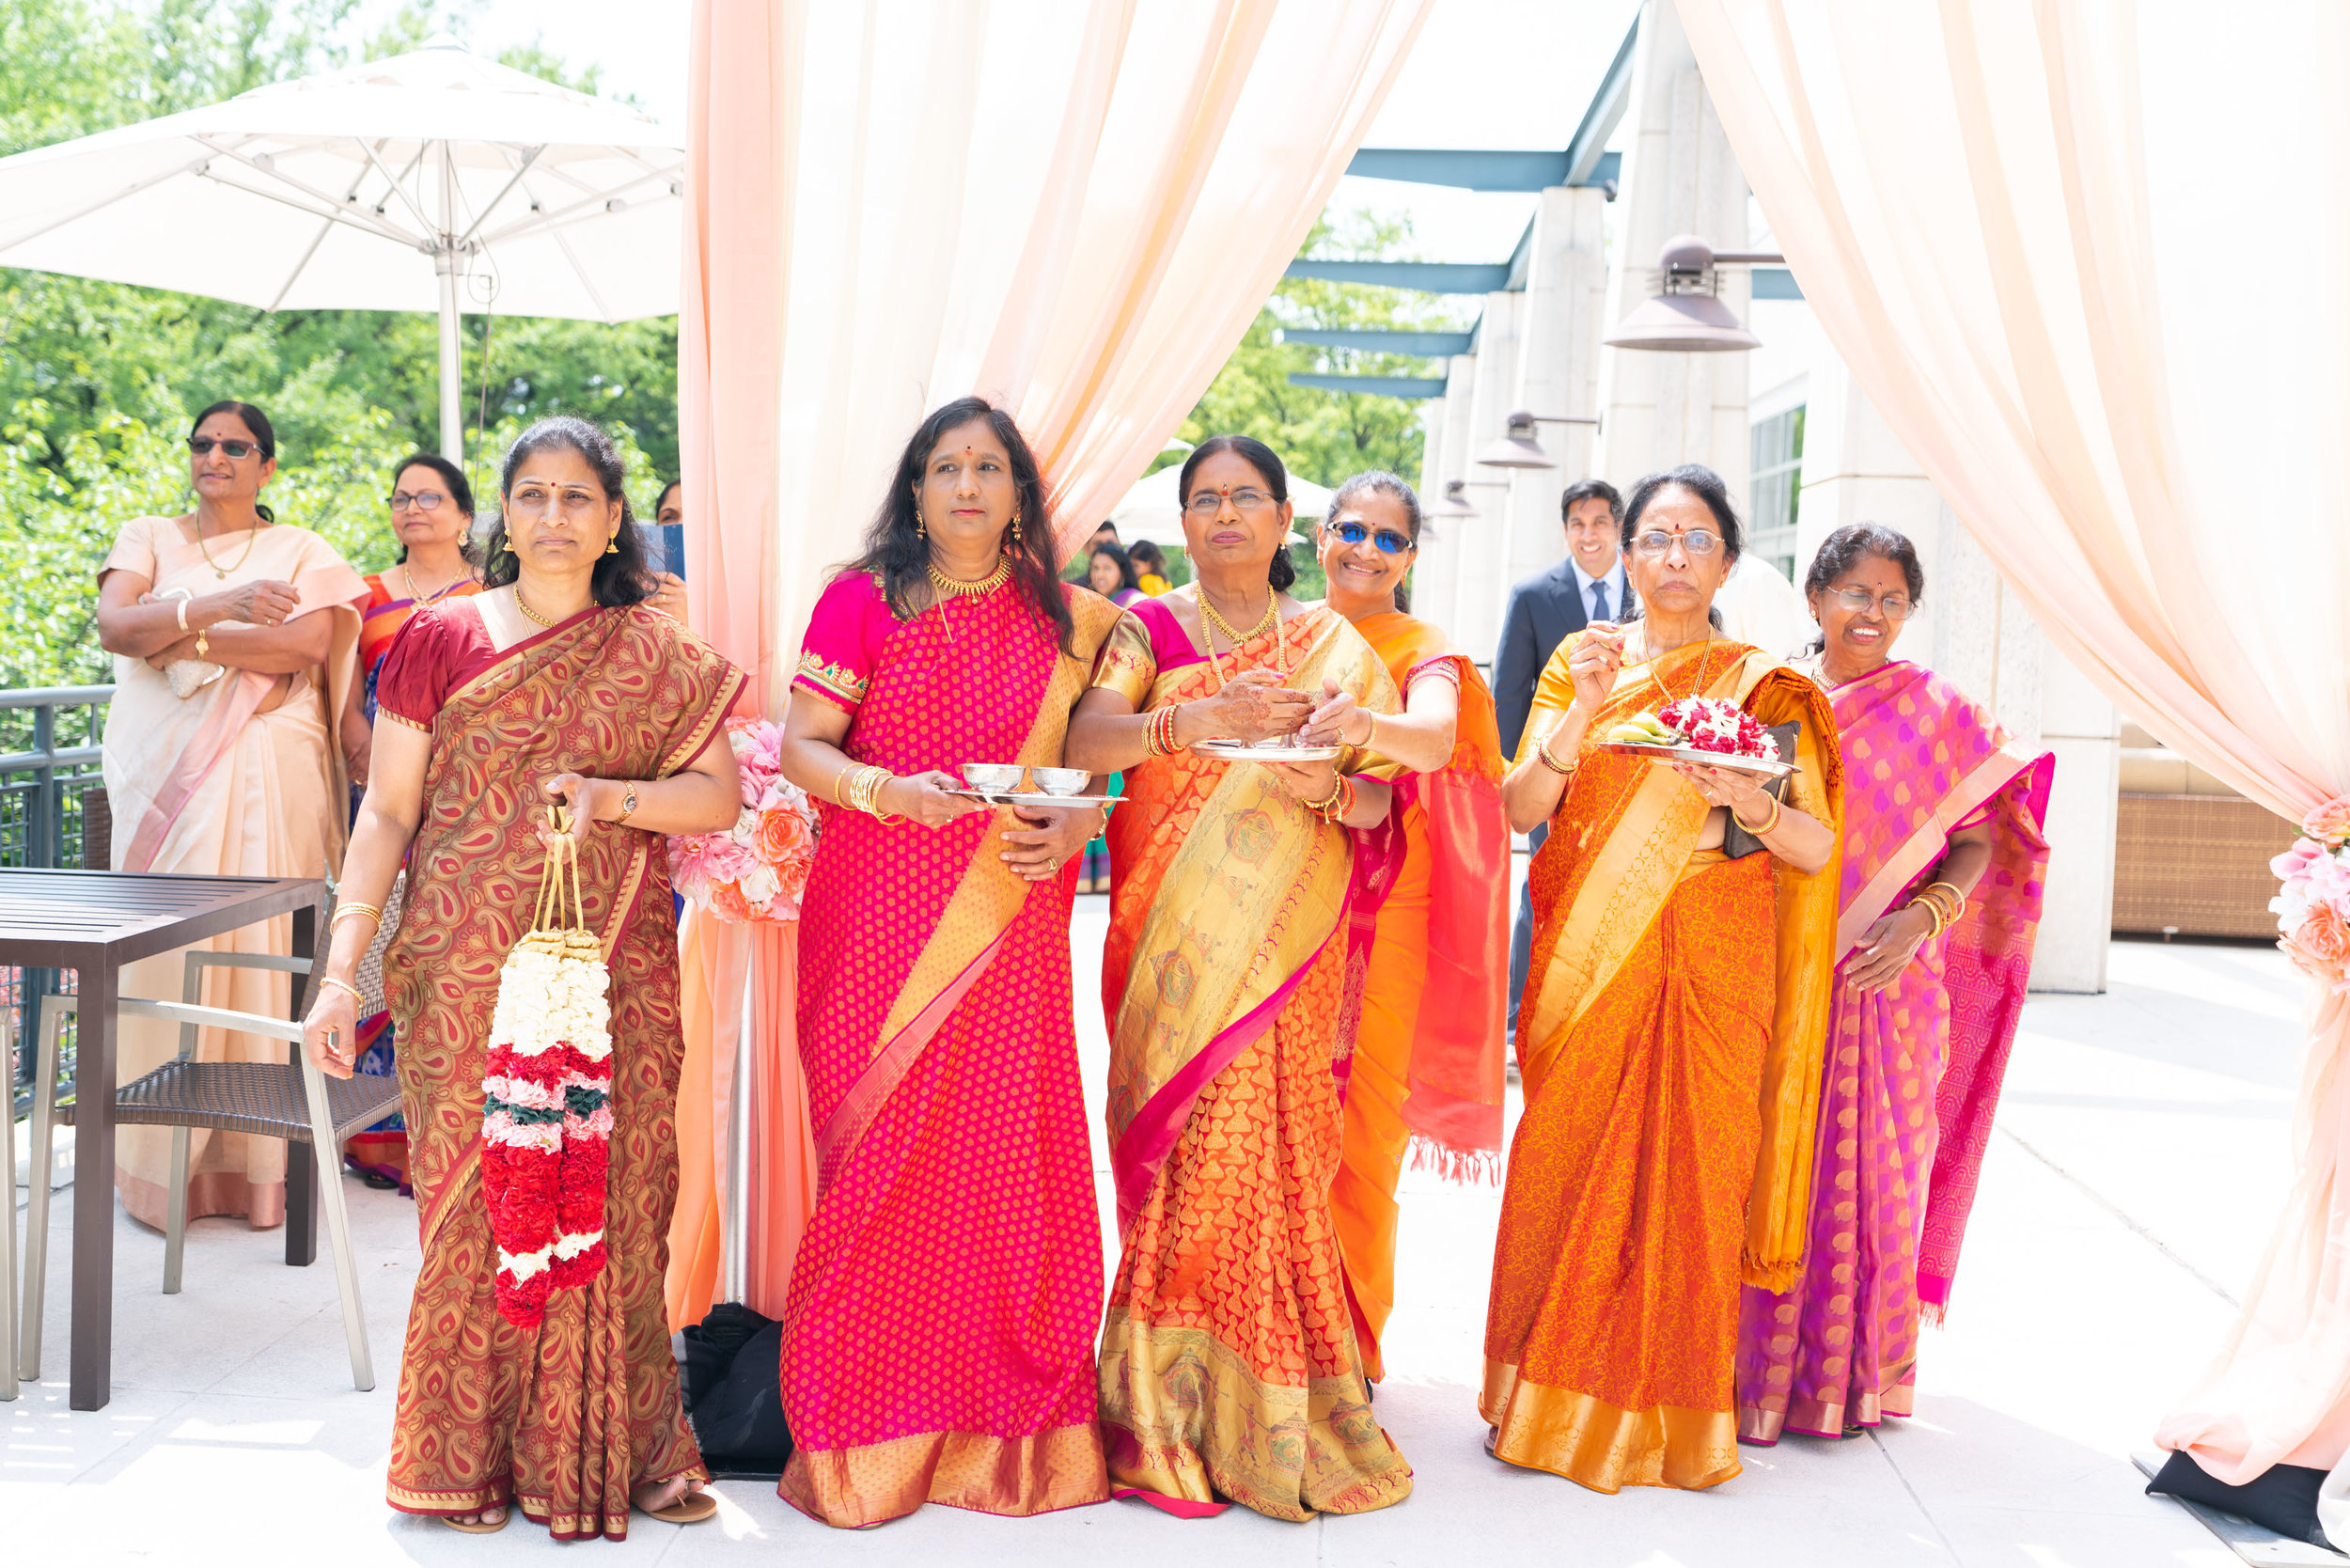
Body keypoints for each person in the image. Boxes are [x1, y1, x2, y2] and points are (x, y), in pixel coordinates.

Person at [299, 415, 746, 1538]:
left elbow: (717, 798)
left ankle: (625, 1451)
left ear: (612, 521)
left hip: (614, 970)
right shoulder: (444, 637)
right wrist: (339, 973)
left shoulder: (657, 652)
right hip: (465, 971)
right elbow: (388, 812)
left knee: (619, 1191)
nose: (552, 517)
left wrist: (609, 797)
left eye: (577, 498)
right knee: (480, 1205)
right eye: (532, 496)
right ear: (505, 514)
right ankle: (467, 1460)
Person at [774, 397, 1122, 1528]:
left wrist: (1076, 826)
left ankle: (996, 1431)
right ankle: (856, 1431)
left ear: (1021, 491)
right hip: (875, 906)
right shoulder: (859, 598)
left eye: (988, 468)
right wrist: (888, 792)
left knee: (1000, 1158)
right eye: (943, 467)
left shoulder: (1076, 621)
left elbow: (1093, 775)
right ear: (913, 490)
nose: (966, 487)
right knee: (875, 1162)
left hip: (1008, 916)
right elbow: (801, 750)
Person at [1066, 434, 1414, 1520]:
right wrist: (1189, 722)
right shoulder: (1149, 628)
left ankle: (1278, 1395)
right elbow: (1088, 741)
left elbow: (1377, 805)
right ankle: (1161, 1405)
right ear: (1183, 521)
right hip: (1173, 952)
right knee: (1187, 1153)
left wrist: (1324, 787)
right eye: (1205, 499)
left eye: (1246, 498)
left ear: (1280, 521)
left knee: (1277, 1150)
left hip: (1291, 951)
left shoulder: (1336, 650)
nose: (1225, 515)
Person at [1484, 463, 1844, 1494]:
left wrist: (1752, 800)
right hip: (1588, 965)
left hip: (1713, 960)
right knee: (1564, 1161)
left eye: (1696, 538)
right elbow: (1519, 810)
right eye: (1654, 538)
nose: (1674, 557)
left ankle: (1675, 1415)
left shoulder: (1764, 689)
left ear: (1728, 557)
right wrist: (1578, 712)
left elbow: (1814, 851)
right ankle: (1532, 1396)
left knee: (1692, 1178)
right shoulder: (1580, 659)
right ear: (1623, 554)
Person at [1735, 524, 2051, 1443]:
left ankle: (1851, 1381)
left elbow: (1980, 841)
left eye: (1890, 600)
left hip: (1888, 982)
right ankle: (1749, 1372)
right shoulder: (1772, 702)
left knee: (1877, 1179)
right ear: (1815, 599)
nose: (1870, 613)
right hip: (1775, 972)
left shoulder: (1937, 712)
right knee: (1767, 1169)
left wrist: (1922, 922)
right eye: (1854, 594)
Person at [95, 400, 367, 1230]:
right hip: (163, 777)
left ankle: (259, 1171)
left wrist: (177, 640)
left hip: (270, 774)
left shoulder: (302, 549)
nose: (216, 456)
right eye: (204, 443)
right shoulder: (146, 533)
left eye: (236, 446)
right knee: (166, 952)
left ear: (267, 465)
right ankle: (160, 1165)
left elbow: (304, 649)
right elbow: (115, 626)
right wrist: (221, 608)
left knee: (260, 957)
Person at [1295, 471, 1511, 1383]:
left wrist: (1358, 730)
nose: (1368, 551)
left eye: (1389, 540)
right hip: (1280, 902)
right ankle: (1269, 1336)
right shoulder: (1289, 635)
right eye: (1354, 531)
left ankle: (1346, 1346)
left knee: (1363, 1134)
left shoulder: (1425, 649)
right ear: (1320, 537)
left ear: (1411, 558)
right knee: (1278, 1126)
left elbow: (1429, 738)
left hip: (1385, 919)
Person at [1495, 478, 1627, 1042]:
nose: (1588, 534)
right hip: (1552, 765)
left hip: (1623, 770)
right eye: (1577, 523)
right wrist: (1515, 774)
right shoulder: (1533, 594)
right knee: (1541, 890)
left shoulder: (1645, 594)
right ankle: (1518, 1016)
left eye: (1599, 522)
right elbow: (1508, 691)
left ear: (1618, 528)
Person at [352, 454, 482, 771]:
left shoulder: (492, 590)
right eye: (401, 499)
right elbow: (346, 698)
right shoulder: (363, 594)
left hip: (473, 766)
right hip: (379, 769)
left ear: (465, 516)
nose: (412, 508)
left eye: (428, 498)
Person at [1088, 541, 1147, 608]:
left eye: (1107, 568)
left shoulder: (1135, 600)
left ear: (1122, 572)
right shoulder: (1090, 603)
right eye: (1096, 568)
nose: (1099, 575)